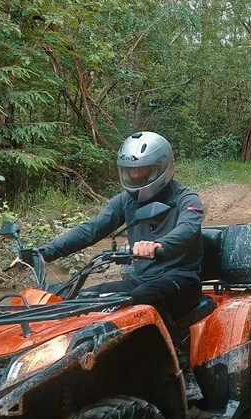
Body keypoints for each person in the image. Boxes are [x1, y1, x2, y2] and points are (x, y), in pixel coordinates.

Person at [37, 131, 204, 323]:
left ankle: (171, 350)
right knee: (83, 299)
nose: (135, 176)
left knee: (143, 297)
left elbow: (186, 230)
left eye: (143, 171)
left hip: (181, 279)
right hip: (140, 279)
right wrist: (45, 252)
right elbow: (93, 228)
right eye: (130, 172)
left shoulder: (187, 200)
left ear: (161, 168)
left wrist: (158, 245)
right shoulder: (126, 200)